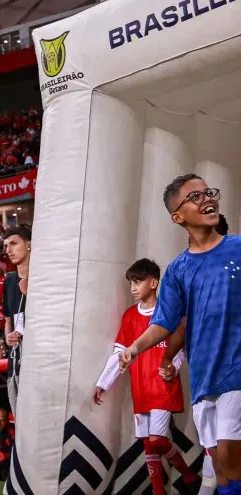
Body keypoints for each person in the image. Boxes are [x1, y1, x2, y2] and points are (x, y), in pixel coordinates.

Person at [121, 175, 241, 492]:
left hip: (236, 371)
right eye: (196, 196)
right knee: (219, 463)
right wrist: (134, 348)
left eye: (209, 192)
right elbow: (165, 323)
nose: (207, 199)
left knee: (230, 455)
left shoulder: (238, 248)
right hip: (203, 378)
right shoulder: (177, 269)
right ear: (178, 217)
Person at [92, 258, 199, 494]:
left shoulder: (169, 312)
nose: (133, 287)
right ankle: (159, 491)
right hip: (140, 388)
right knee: (148, 446)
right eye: (131, 282)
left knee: (157, 440)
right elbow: (119, 352)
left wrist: (173, 367)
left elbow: (181, 347)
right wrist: (104, 383)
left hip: (163, 386)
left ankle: (189, 474)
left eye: (138, 281)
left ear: (153, 283)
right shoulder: (130, 316)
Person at [2, 225, 31, 412]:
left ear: (29, 245)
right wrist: (7, 336)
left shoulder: (43, 277)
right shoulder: (9, 280)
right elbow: (7, 319)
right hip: (15, 361)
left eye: (13, 243)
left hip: (36, 361)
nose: (8, 250)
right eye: (5, 246)